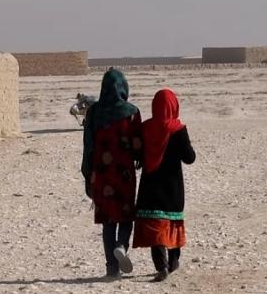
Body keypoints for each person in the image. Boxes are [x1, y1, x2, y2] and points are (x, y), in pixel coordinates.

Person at [81, 69, 143, 279]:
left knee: (108, 221)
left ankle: (111, 267)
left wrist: (88, 174)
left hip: (102, 173)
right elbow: (137, 145)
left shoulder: (94, 113)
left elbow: (88, 146)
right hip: (124, 173)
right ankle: (122, 246)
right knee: (126, 215)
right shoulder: (132, 112)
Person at [133, 88, 196, 282]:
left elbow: (137, 154)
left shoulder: (145, 128)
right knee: (172, 222)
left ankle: (161, 266)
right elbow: (189, 158)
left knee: (154, 225)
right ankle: (174, 260)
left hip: (150, 185)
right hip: (172, 186)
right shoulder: (178, 129)